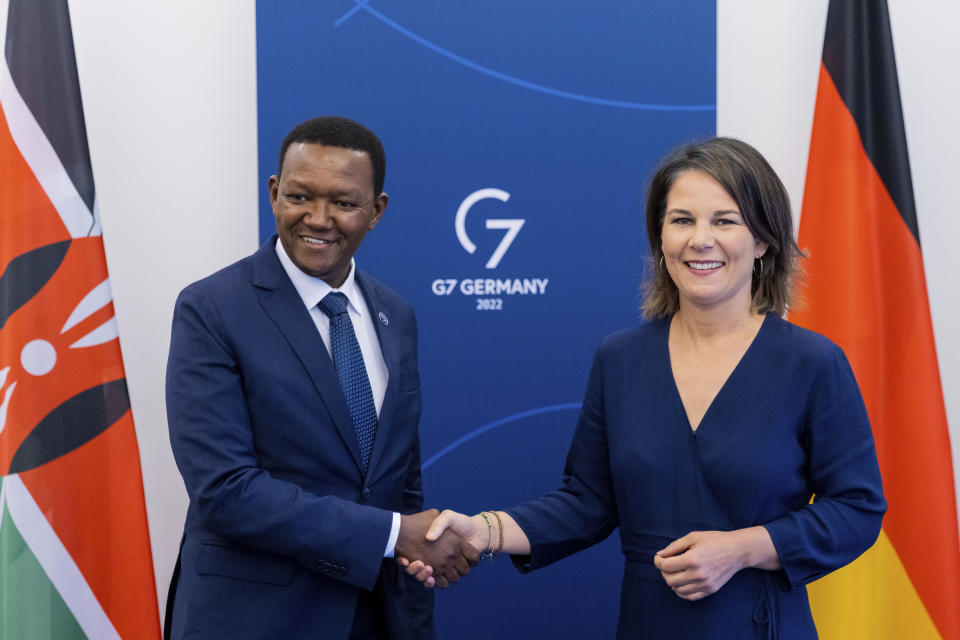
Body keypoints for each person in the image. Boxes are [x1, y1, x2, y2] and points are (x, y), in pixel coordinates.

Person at [404, 138, 886, 638]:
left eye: (725, 220)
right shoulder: (620, 359)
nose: (701, 239)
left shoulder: (812, 362)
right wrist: (483, 531)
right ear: (660, 238)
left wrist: (743, 548)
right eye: (682, 220)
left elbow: (857, 509)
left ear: (763, 240)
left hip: (759, 623)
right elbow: (587, 503)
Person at [164, 116, 478, 640]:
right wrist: (397, 534)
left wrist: (415, 584)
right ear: (273, 193)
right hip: (254, 621)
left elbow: (401, 482)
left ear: (377, 210)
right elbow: (225, 489)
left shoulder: (395, 315)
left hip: (378, 617)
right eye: (300, 196)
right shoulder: (212, 308)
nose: (318, 218)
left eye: (344, 203)